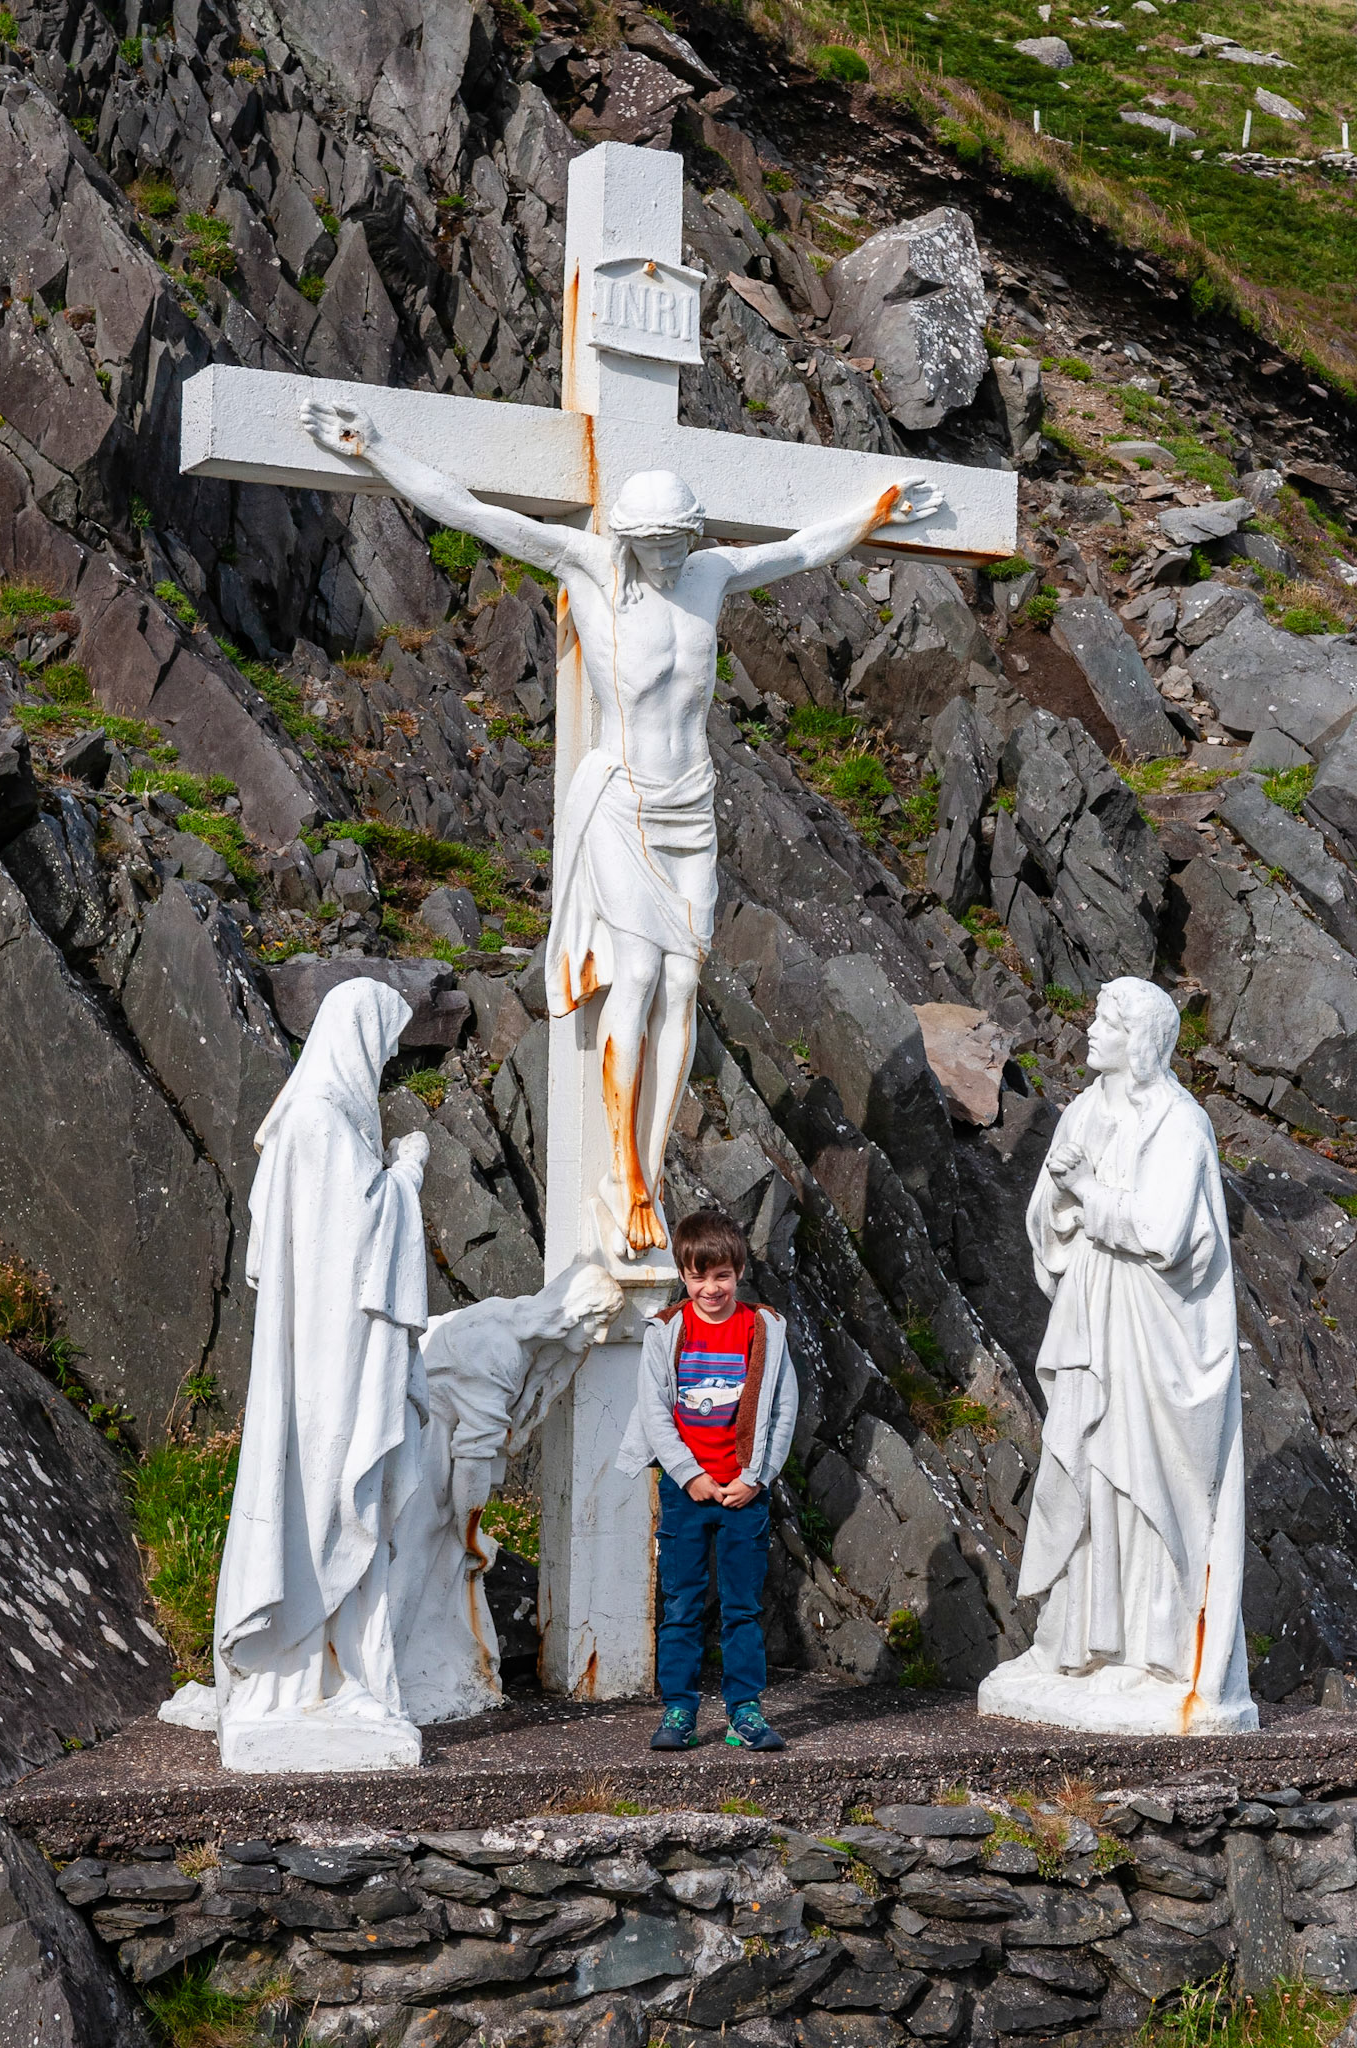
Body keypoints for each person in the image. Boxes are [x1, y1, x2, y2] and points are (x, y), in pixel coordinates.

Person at [298, 394, 941, 1261]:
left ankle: (653, 1153)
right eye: (659, 544)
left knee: (686, 984)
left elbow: (793, 551)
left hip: (691, 802)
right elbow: (474, 512)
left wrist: (871, 514)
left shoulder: (710, 575)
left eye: (683, 540)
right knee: (637, 975)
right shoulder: (588, 567)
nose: (673, 557)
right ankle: (628, 1176)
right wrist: (375, 450)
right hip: (626, 802)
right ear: (632, 538)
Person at [977, 976, 1258, 1736]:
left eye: (1105, 1021)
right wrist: (1067, 1199)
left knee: (1148, 1485)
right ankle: (1075, 1646)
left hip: (1156, 1334)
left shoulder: (1178, 1123)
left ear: (1139, 1040)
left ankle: (1156, 1656)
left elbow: (1164, 1232)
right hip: (1095, 1315)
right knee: (1086, 1467)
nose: (1090, 1030)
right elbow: (1048, 1214)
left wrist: (1087, 1191)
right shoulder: (1087, 1111)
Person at [212, 979, 432, 1772]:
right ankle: (303, 1669)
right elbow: (361, 1239)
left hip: (325, 1354)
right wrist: (407, 1172)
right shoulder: (321, 1122)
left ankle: (335, 1671)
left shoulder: (307, 1121)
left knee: (337, 1500)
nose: (384, 1063)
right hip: (328, 1362)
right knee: (328, 1494)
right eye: (383, 1045)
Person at [389, 1259, 623, 1723]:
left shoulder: (511, 1325)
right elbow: (474, 1460)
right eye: (596, 1322)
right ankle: (382, 1672)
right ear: (571, 1312)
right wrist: (470, 1534)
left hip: (430, 1448)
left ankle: (395, 1664)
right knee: (409, 1561)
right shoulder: (499, 1350)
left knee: (421, 1562)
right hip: (424, 1451)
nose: (598, 1338)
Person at [616, 1210, 799, 1752]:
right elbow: (655, 1410)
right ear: (684, 1274)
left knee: (743, 1606)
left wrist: (757, 1478)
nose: (711, 1287)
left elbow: (783, 1409)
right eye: (699, 1276)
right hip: (685, 1491)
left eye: (721, 1276)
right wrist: (689, 1475)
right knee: (682, 1603)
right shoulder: (666, 1331)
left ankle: (745, 1711)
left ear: (738, 1271)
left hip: (744, 1491)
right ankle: (679, 1711)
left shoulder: (764, 1330)